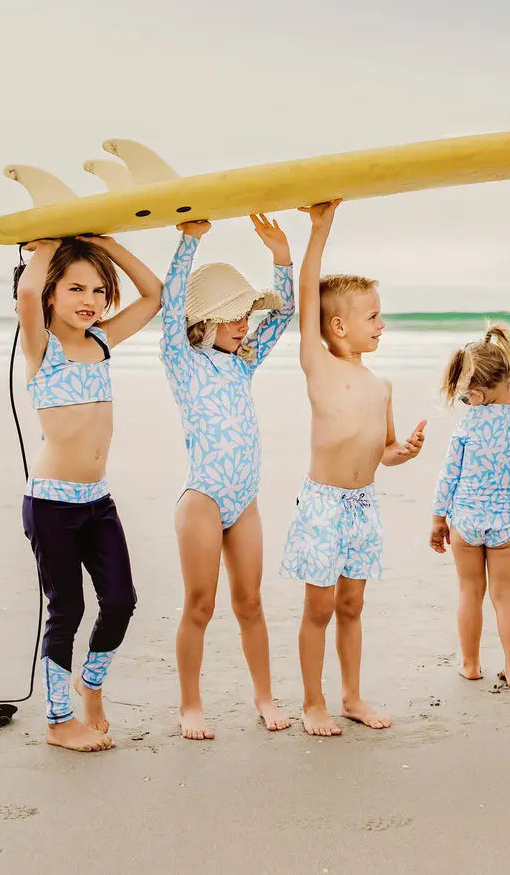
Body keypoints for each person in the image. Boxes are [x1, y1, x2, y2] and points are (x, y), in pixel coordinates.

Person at [279, 200, 426, 737]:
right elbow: (307, 291)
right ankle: (312, 702)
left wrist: (401, 451)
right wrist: (320, 229)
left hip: (363, 504)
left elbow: (383, 450)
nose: (381, 323)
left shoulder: (381, 385)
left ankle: (352, 697)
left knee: (353, 603)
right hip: (322, 504)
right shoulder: (319, 365)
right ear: (338, 325)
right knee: (318, 607)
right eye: (373, 316)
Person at [16, 235, 162, 750]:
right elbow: (27, 293)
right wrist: (47, 243)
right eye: (76, 287)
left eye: (100, 290)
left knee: (121, 601)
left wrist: (110, 243)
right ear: (53, 293)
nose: (91, 300)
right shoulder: (42, 346)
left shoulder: (100, 341)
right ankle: (58, 722)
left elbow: (153, 295)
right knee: (68, 611)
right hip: (52, 505)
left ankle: (90, 684)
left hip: (97, 502)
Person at [160, 216, 295, 738]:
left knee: (251, 603)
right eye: (233, 316)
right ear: (205, 321)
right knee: (201, 604)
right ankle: (190, 704)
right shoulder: (183, 361)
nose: (244, 324)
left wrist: (282, 258)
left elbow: (281, 319)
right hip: (204, 500)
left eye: (245, 314)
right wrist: (190, 239)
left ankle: (263, 696)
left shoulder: (242, 364)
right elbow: (171, 304)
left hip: (245, 500)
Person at [430, 325, 510, 687]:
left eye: (468, 395)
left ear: (481, 392)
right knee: (505, 596)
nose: (466, 402)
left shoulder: (469, 423)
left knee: (469, 592)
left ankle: (470, 664)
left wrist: (439, 518)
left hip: (464, 521)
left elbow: (448, 475)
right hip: (507, 525)